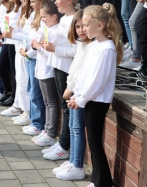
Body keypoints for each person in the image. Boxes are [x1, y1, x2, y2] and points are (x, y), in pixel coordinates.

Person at [68, 4, 123, 187]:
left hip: (97, 101)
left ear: (99, 25)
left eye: (86, 25)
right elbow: (85, 75)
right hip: (89, 99)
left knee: (95, 142)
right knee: (93, 142)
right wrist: (78, 95)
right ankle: (98, 180)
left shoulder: (106, 48)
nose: (83, 29)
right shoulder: (95, 46)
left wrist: (82, 99)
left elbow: (97, 81)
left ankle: (103, 182)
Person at [53, 10, 90, 181]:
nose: (81, 30)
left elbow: (83, 72)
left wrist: (71, 88)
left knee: (77, 129)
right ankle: (73, 161)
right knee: (74, 128)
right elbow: (75, 68)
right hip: (75, 90)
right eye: (77, 26)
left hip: (80, 92)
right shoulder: (82, 44)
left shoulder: (90, 46)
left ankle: (77, 165)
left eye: (84, 26)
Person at [42, 0, 78, 159]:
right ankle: (62, 142)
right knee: (63, 106)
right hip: (57, 65)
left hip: (66, 68)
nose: (55, 2)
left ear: (69, 0)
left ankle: (65, 145)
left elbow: (76, 50)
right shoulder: (64, 19)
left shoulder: (74, 20)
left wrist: (56, 49)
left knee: (66, 107)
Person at [30, 1, 60, 147]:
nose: (42, 20)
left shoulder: (55, 31)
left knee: (51, 102)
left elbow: (51, 54)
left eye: (44, 17)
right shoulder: (47, 29)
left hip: (48, 71)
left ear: (54, 16)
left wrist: (39, 47)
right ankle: (46, 129)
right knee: (47, 101)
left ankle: (51, 132)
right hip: (41, 70)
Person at [19, 0, 48, 137]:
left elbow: (39, 40)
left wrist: (28, 53)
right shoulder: (33, 16)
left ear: (41, 1)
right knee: (31, 88)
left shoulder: (43, 19)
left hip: (35, 58)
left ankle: (38, 123)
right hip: (29, 56)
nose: (30, 4)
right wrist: (24, 49)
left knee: (35, 91)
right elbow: (27, 34)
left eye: (33, 1)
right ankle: (34, 120)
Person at [10, 0, 38, 125]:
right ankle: (23, 109)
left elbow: (29, 35)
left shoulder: (33, 15)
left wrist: (13, 35)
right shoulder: (24, 11)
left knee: (26, 81)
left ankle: (28, 111)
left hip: (27, 51)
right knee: (20, 79)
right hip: (20, 49)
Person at [0, 0, 22, 107]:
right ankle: (8, 91)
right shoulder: (11, 7)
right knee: (0, 66)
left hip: (14, 41)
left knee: (13, 69)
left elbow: (16, 26)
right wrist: (0, 34)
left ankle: (13, 95)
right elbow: (5, 22)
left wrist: (8, 31)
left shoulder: (20, 8)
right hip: (8, 40)